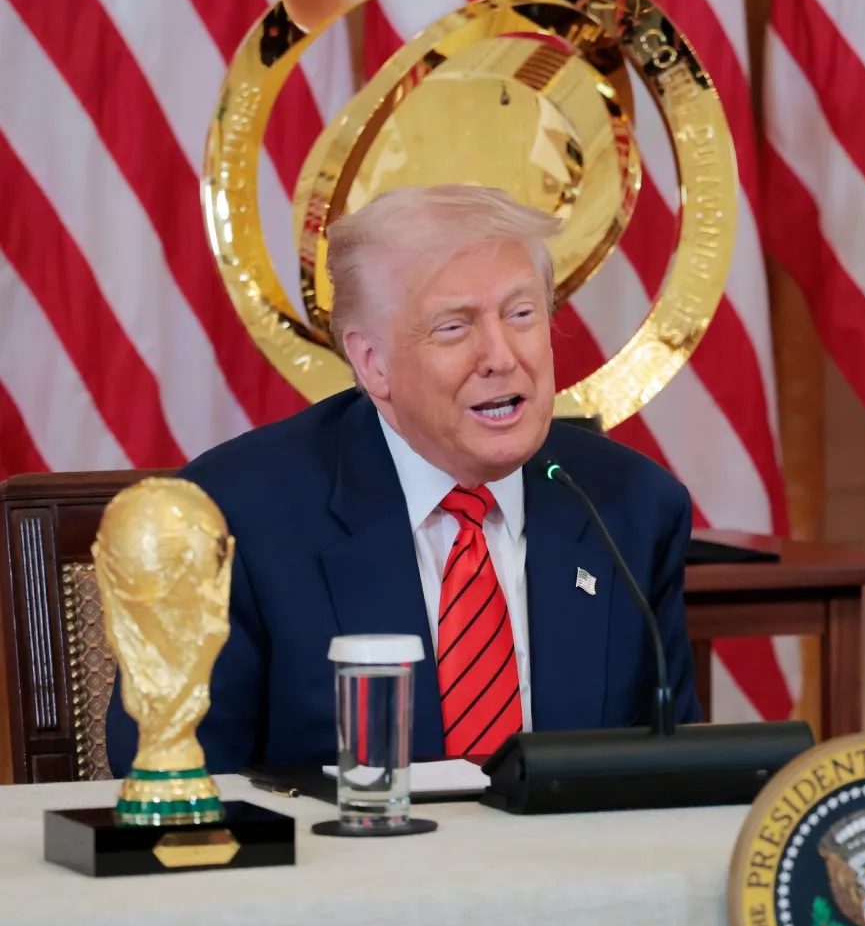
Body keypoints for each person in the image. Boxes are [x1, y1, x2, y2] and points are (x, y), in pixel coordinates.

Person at [106, 185, 699, 775]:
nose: (500, 355)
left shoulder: (632, 508)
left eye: (521, 315)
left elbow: (674, 773)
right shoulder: (236, 518)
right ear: (373, 364)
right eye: (453, 327)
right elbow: (173, 776)